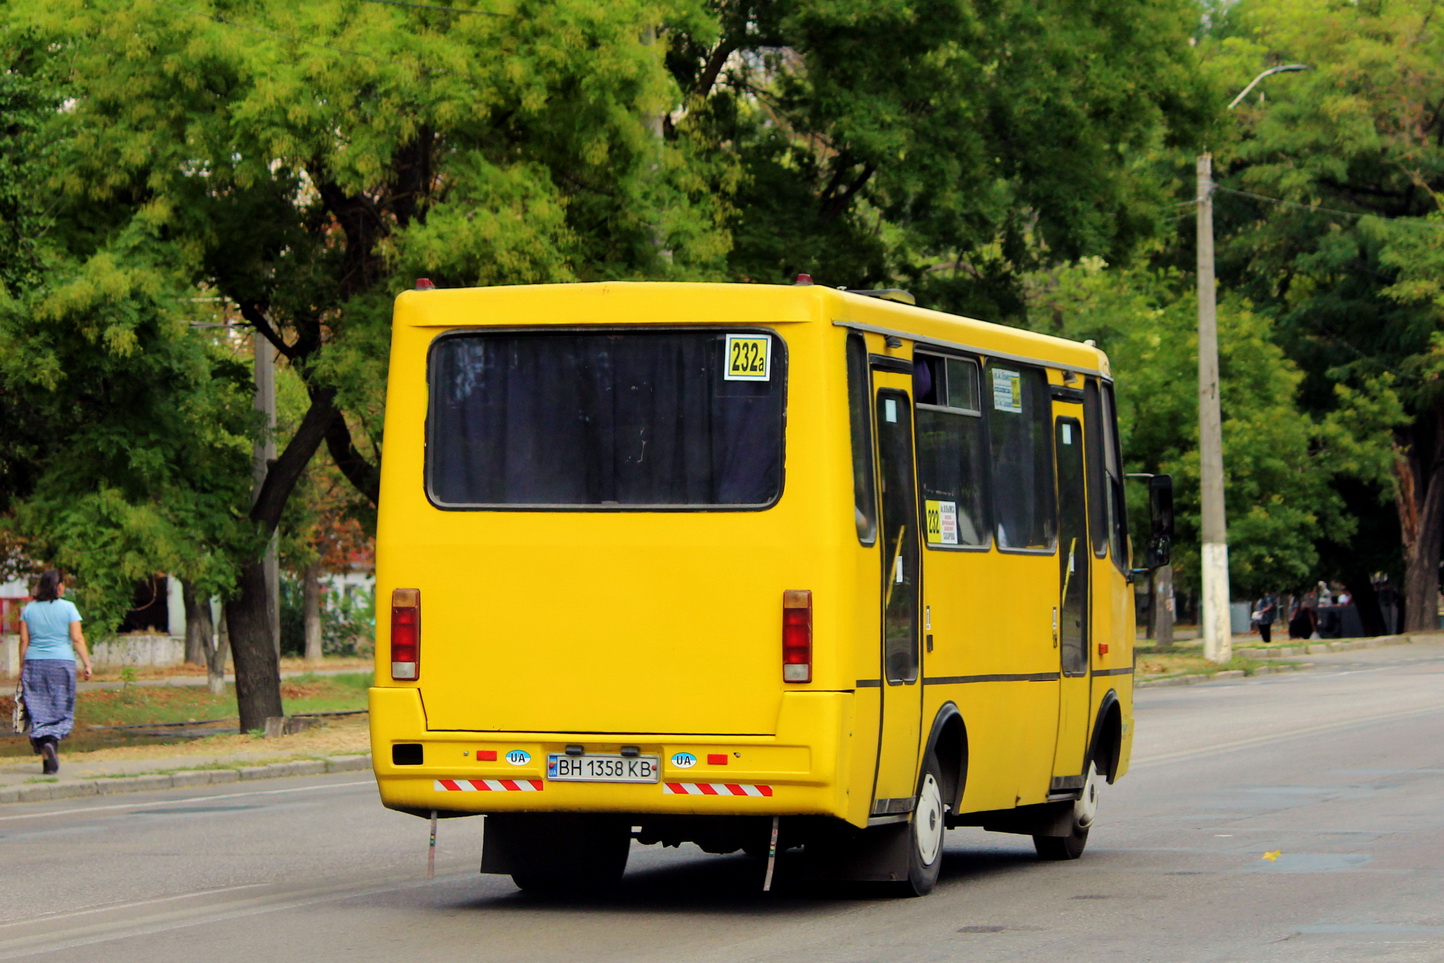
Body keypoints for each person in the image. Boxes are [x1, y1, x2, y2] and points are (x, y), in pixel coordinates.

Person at [18, 569, 93, 775]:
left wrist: (22, 667)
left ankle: (48, 760)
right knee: (61, 710)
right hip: (61, 663)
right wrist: (87, 663)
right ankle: (51, 747)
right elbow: (77, 639)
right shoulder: (69, 608)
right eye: (63, 584)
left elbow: (24, 640)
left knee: (39, 711)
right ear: (58, 586)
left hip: (35, 663)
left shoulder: (29, 609)